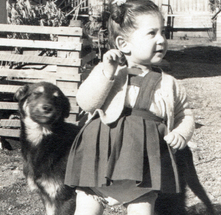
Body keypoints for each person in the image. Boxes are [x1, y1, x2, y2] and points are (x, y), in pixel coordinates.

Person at [64, 0, 195, 214]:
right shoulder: (109, 72)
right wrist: (107, 73)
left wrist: (181, 133)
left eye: (163, 32)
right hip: (98, 160)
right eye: (152, 33)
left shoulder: (169, 83)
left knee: (143, 209)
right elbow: (85, 102)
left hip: (144, 165)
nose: (161, 39)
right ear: (124, 44)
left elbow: (185, 113)